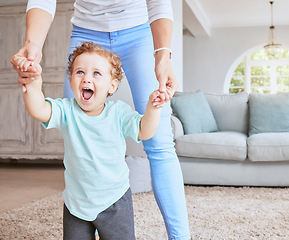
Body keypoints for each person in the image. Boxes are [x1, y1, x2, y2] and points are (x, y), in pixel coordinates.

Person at [10, 1, 191, 239]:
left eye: (95, 75)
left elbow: (158, 3)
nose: (87, 79)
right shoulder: (66, 109)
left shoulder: (119, 113)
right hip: (86, 30)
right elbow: (40, 108)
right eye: (81, 74)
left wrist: (163, 56)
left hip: (138, 30)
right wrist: (32, 56)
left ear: (112, 85)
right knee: (76, 131)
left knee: (160, 142)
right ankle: (84, 205)